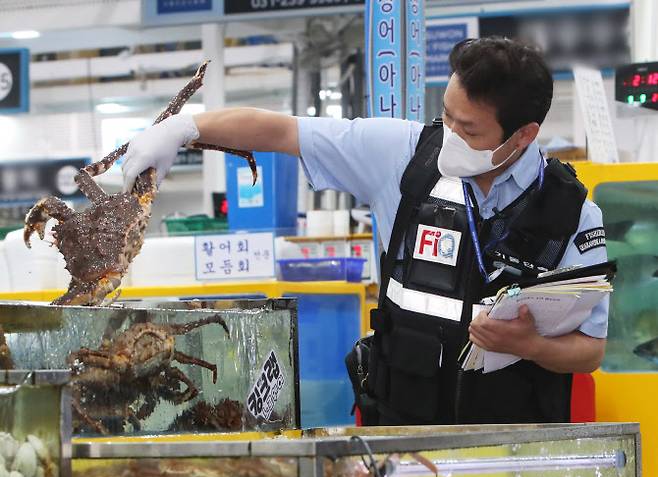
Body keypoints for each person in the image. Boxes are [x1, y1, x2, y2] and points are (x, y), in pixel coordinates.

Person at [122, 36, 608, 426]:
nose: (451, 136)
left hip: (511, 452)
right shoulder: (401, 157)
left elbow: (590, 351)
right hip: (402, 433)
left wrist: (530, 347)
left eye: (471, 130)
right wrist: (182, 129)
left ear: (523, 135)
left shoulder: (570, 216)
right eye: (447, 115)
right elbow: (280, 131)